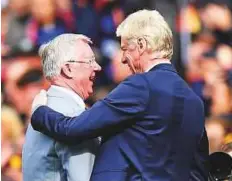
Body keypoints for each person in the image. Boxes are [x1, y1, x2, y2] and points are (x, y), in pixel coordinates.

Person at [31, 10, 209, 181]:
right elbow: (199, 172)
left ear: (141, 45)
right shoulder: (194, 101)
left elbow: (73, 129)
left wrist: (39, 112)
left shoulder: (141, 86)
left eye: (125, 49)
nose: (123, 58)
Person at [22, 34, 101, 181]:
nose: (97, 67)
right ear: (68, 69)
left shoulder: (44, 106)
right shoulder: (74, 116)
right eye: (90, 61)